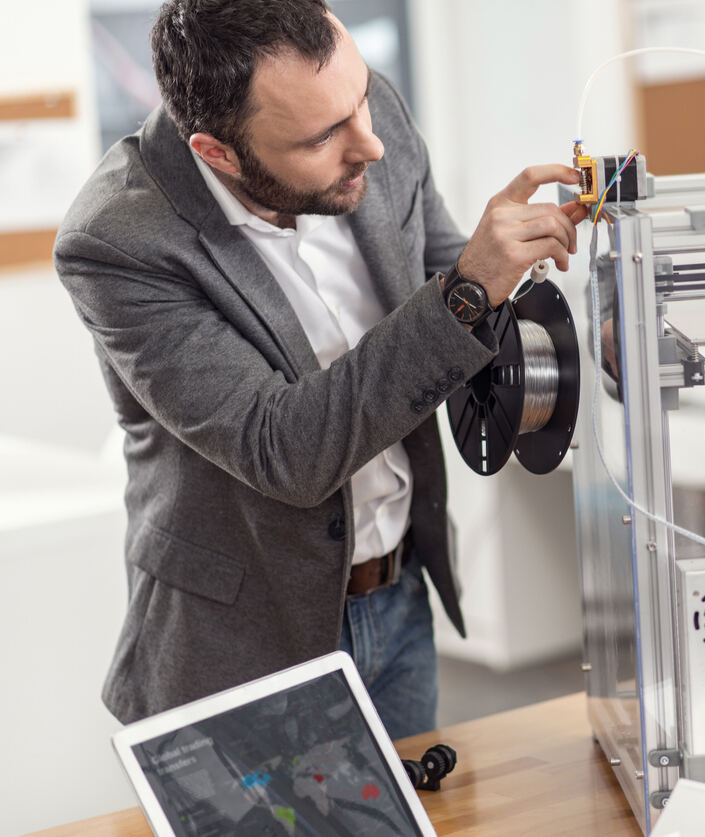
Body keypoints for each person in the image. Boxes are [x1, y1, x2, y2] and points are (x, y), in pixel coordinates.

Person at [54, 0, 586, 739]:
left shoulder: (366, 116)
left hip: (399, 602)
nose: (368, 142)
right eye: (323, 136)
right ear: (218, 152)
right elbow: (287, 450)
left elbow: (444, 283)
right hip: (242, 642)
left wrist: (582, 308)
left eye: (361, 96)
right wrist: (464, 288)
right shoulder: (117, 242)